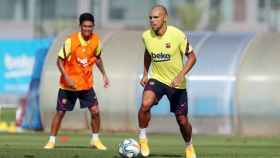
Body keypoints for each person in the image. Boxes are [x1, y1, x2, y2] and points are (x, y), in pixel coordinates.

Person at [138, 5, 197, 158]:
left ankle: (189, 145)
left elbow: (192, 57)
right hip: (157, 79)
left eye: (156, 17)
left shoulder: (177, 35)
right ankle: (142, 137)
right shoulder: (146, 36)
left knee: (182, 121)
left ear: (165, 17)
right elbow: (147, 53)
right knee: (145, 104)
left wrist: (180, 76)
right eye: (150, 17)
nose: (152, 20)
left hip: (176, 83)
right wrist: (145, 74)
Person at [44, 13, 109, 150]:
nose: (87, 29)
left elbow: (97, 58)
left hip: (86, 85)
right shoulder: (71, 41)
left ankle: (95, 140)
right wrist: (66, 77)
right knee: (60, 113)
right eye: (85, 26)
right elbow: (59, 61)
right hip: (69, 86)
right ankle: (51, 141)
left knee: (95, 111)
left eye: (90, 26)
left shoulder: (96, 40)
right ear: (80, 26)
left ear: (93, 26)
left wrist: (104, 74)